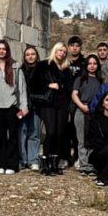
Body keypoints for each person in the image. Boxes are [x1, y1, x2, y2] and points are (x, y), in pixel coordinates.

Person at [32, 42, 73, 175]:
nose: (62, 53)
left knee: (60, 132)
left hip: (62, 103)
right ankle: (45, 163)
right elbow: (33, 83)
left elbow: (69, 89)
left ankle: (55, 162)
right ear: (54, 51)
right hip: (48, 102)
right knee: (51, 131)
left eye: (64, 51)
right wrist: (49, 85)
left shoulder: (67, 69)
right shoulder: (44, 65)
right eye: (59, 50)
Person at [0, 39, 29, 174]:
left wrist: (24, 106)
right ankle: (0, 163)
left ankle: (12, 165)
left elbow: (22, 88)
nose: (1, 51)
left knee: (12, 136)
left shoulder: (16, 66)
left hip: (11, 105)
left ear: (7, 51)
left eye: (4, 49)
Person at [71, 54, 104, 174]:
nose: (92, 66)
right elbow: (74, 95)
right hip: (81, 110)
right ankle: (84, 165)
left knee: (93, 139)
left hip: (96, 112)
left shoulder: (101, 81)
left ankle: (92, 164)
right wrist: (81, 106)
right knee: (81, 139)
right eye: (90, 63)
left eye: (95, 63)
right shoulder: (79, 80)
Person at [18, 45, 42, 170]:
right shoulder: (20, 70)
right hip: (22, 106)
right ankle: (22, 159)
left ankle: (33, 159)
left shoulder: (42, 70)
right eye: (28, 54)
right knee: (21, 132)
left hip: (36, 105)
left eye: (33, 54)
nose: (30, 56)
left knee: (34, 132)